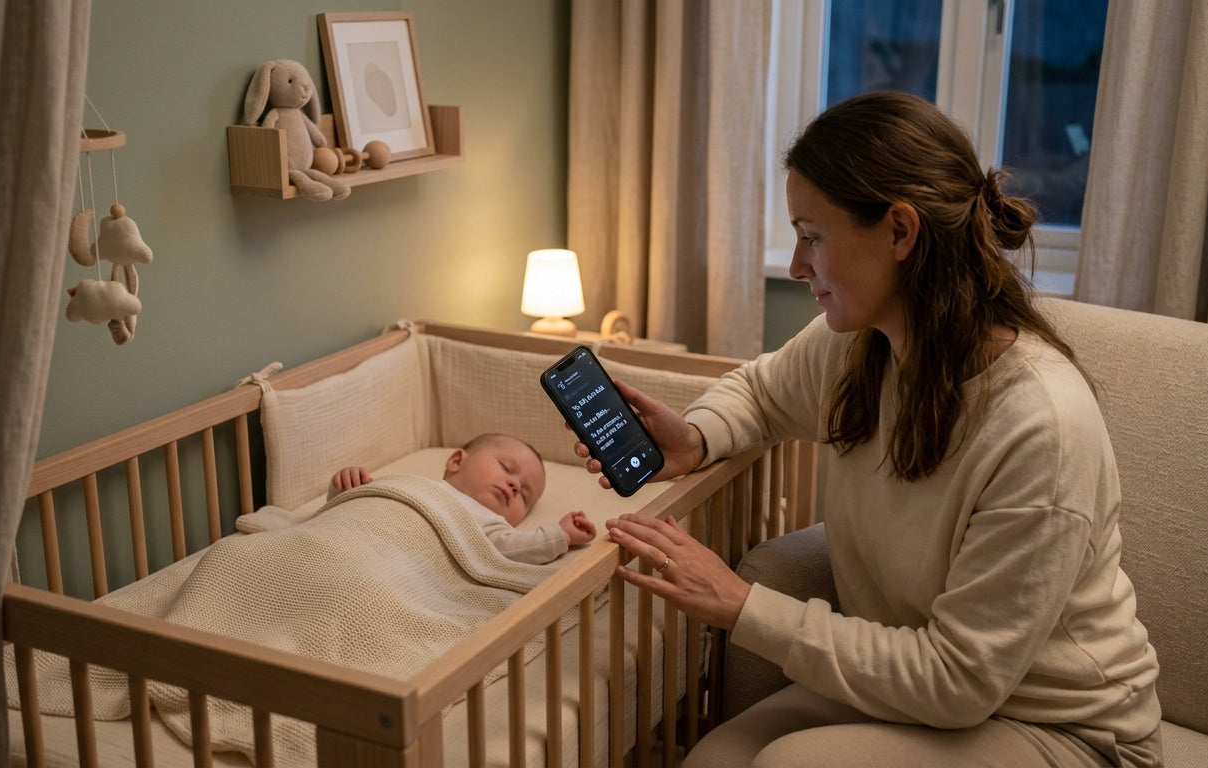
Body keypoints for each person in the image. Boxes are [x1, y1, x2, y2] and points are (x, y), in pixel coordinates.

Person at [578, 91, 1163, 767]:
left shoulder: (1040, 428)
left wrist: (742, 605)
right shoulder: (862, 346)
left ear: (900, 232)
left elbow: (960, 680)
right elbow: (763, 392)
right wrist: (698, 437)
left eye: (813, 235)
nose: (799, 266)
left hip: (1058, 726)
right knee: (714, 759)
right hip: (916, 677)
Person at [332, 433, 597, 566]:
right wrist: (346, 487)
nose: (515, 485)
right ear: (457, 461)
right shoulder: (414, 487)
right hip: (351, 537)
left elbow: (515, 549)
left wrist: (561, 534)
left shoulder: (490, 525)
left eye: (525, 496)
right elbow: (350, 510)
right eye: (506, 467)